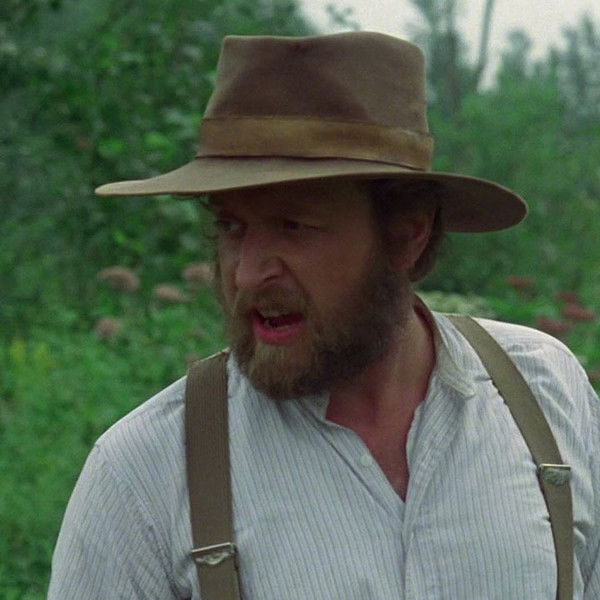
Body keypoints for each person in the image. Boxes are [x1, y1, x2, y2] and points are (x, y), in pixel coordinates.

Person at [48, 31, 599, 599]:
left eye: (294, 226)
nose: (247, 274)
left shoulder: (543, 391)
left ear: (407, 235)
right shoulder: (145, 472)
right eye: (231, 226)